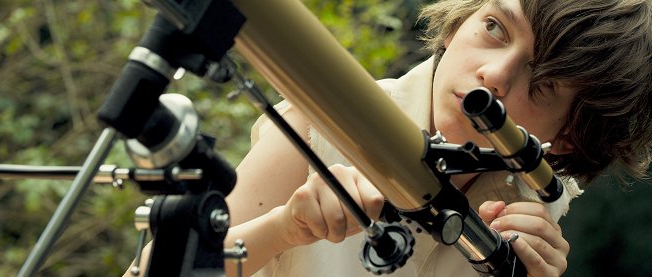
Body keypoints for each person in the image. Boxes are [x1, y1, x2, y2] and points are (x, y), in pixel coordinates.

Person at [126, 0, 652, 276]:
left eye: (545, 83)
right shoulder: (323, 114)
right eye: (495, 27)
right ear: (456, 26)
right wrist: (286, 228)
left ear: (572, 137)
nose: (495, 74)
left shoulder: (535, 203)